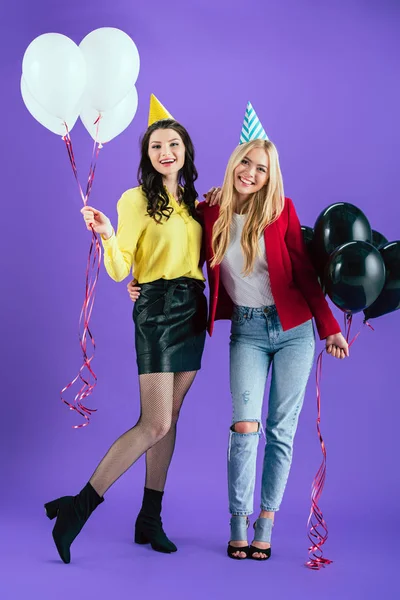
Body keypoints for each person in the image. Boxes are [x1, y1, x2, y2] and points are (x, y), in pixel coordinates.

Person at [128, 102, 349, 562]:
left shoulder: (282, 211)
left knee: (281, 432)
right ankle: (238, 524)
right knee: (245, 426)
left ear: (271, 176)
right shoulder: (209, 209)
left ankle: (265, 523)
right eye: (245, 162)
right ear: (233, 164)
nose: (250, 172)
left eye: (261, 168)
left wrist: (329, 328)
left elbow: (306, 275)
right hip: (247, 330)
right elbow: (174, 244)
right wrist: (140, 279)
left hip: (294, 331)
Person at [44, 96, 207, 564]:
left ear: (185, 152)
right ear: (148, 155)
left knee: (170, 420)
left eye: (173, 144)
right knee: (153, 421)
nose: (166, 152)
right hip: (156, 311)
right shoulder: (133, 201)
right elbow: (120, 270)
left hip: (192, 309)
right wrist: (107, 235)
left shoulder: (198, 201)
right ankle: (78, 510)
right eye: (157, 146)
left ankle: (149, 519)